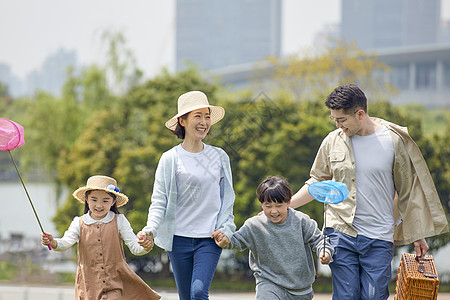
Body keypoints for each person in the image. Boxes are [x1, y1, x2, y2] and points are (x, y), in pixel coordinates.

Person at [289, 84, 449, 299]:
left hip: (379, 236)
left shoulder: (394, 141)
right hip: (340, 231)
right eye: (334, 120)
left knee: (374, 297)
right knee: (346, 296)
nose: (338, 125)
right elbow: (316, 181)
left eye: (342, 120)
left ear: (360, 114)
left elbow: (408, 191)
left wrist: (417, 235)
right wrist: (286, 205)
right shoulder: (332, 141)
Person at [137, 91, 236, 300]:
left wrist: (226, 228)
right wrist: (150, 229)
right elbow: (159, 201)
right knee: (186, 297)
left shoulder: (219, 156)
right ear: (182, 121)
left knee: (198, 292)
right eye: (197, 116)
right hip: (178, 239)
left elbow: (227, 199)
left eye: (207, 116)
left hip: (209, 239)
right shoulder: (169, 159)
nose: (204, 122)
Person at [212, 176, 333, 300]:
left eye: (279, 205)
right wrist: (225, 240)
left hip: (300, 290)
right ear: (261, 204)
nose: (274, 211)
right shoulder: (254, 225)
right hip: (268, 283)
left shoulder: (302, 221)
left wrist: (325, 251)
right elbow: (236, 241)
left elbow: (319, 240)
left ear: (289, 202)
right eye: (268, 206)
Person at [41, 175, 161, 300]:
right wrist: (53, 242)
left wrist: (146, 246)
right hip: (88, 283)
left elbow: (135, 248)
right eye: (94, 199)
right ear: (86, 199)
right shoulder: (78, 223)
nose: (99, 205)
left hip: (115, 281)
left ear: (113, 202)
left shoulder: (119, 221)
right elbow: (64, 243)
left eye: (105, 201)